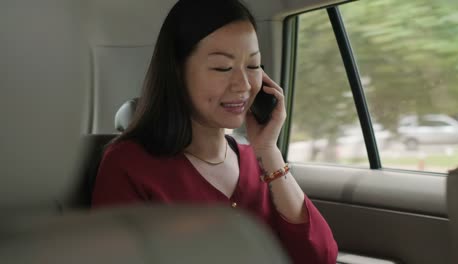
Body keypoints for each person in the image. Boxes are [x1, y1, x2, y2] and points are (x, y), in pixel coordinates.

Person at [92, 0, 338, 263]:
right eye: (222, 67)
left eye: (253, 66)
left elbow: (320, 256)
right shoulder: (129, 165)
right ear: (177, 71)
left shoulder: (258, 161)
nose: (243, 84)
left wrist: (269, 150)